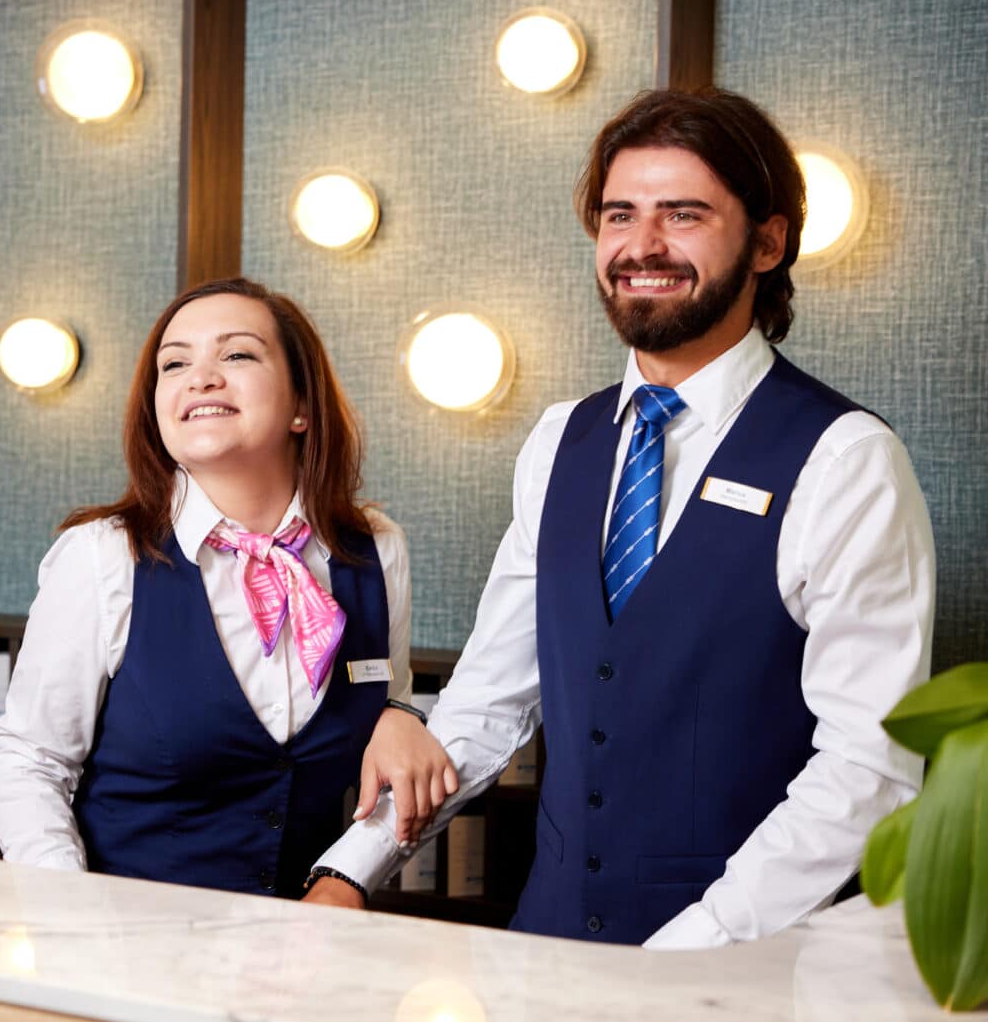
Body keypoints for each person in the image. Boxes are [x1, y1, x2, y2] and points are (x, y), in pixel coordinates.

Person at [303, 88, 936, 948]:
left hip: (741, 972)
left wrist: (685, 952)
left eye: (684, 214)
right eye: (619, 215)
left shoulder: (846, 460)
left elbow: (870, 765)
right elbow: (487, 700)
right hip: (549, 951)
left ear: (768, 242)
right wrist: (349, 869)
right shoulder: (559, 440)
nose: (642, 246)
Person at [0, 277, 456, 897]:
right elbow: (30, 764)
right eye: (175, 364)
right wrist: (71, 913)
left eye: (236, 354)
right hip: (126, 936)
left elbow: (389, 722)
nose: (200, 378)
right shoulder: (102, 557)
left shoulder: (376, 549)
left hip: (307, 939)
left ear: (301, 404)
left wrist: (401, 716)